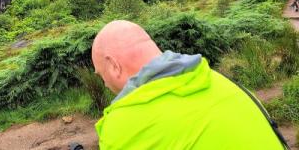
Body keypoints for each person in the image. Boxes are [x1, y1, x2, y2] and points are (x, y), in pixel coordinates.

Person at [92, 20, 286, 150]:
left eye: (102, 75)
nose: (106, 85)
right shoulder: (222, 81)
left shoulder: (122, 124)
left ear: (114, 65)